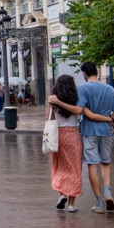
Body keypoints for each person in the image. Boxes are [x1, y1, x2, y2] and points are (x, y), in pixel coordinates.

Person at [78, 61, 114, 213]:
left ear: (84, 74)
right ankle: (108, 193)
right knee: (105, 162)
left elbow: (80, 110)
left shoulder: (82, 89)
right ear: (97, 71)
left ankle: (99, 203)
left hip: (89, 131)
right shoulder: (110, 89)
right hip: (106, 131)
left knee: (92, 164)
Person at [46, 75, 93, 213]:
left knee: (59, 166)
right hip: (73, 135)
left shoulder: (53, 100)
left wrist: (56, 103)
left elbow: (49, 118)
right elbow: (78, 111)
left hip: (58, 135)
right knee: (74, 169)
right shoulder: (76, 99)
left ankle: (62, 195)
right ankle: (71, 204)